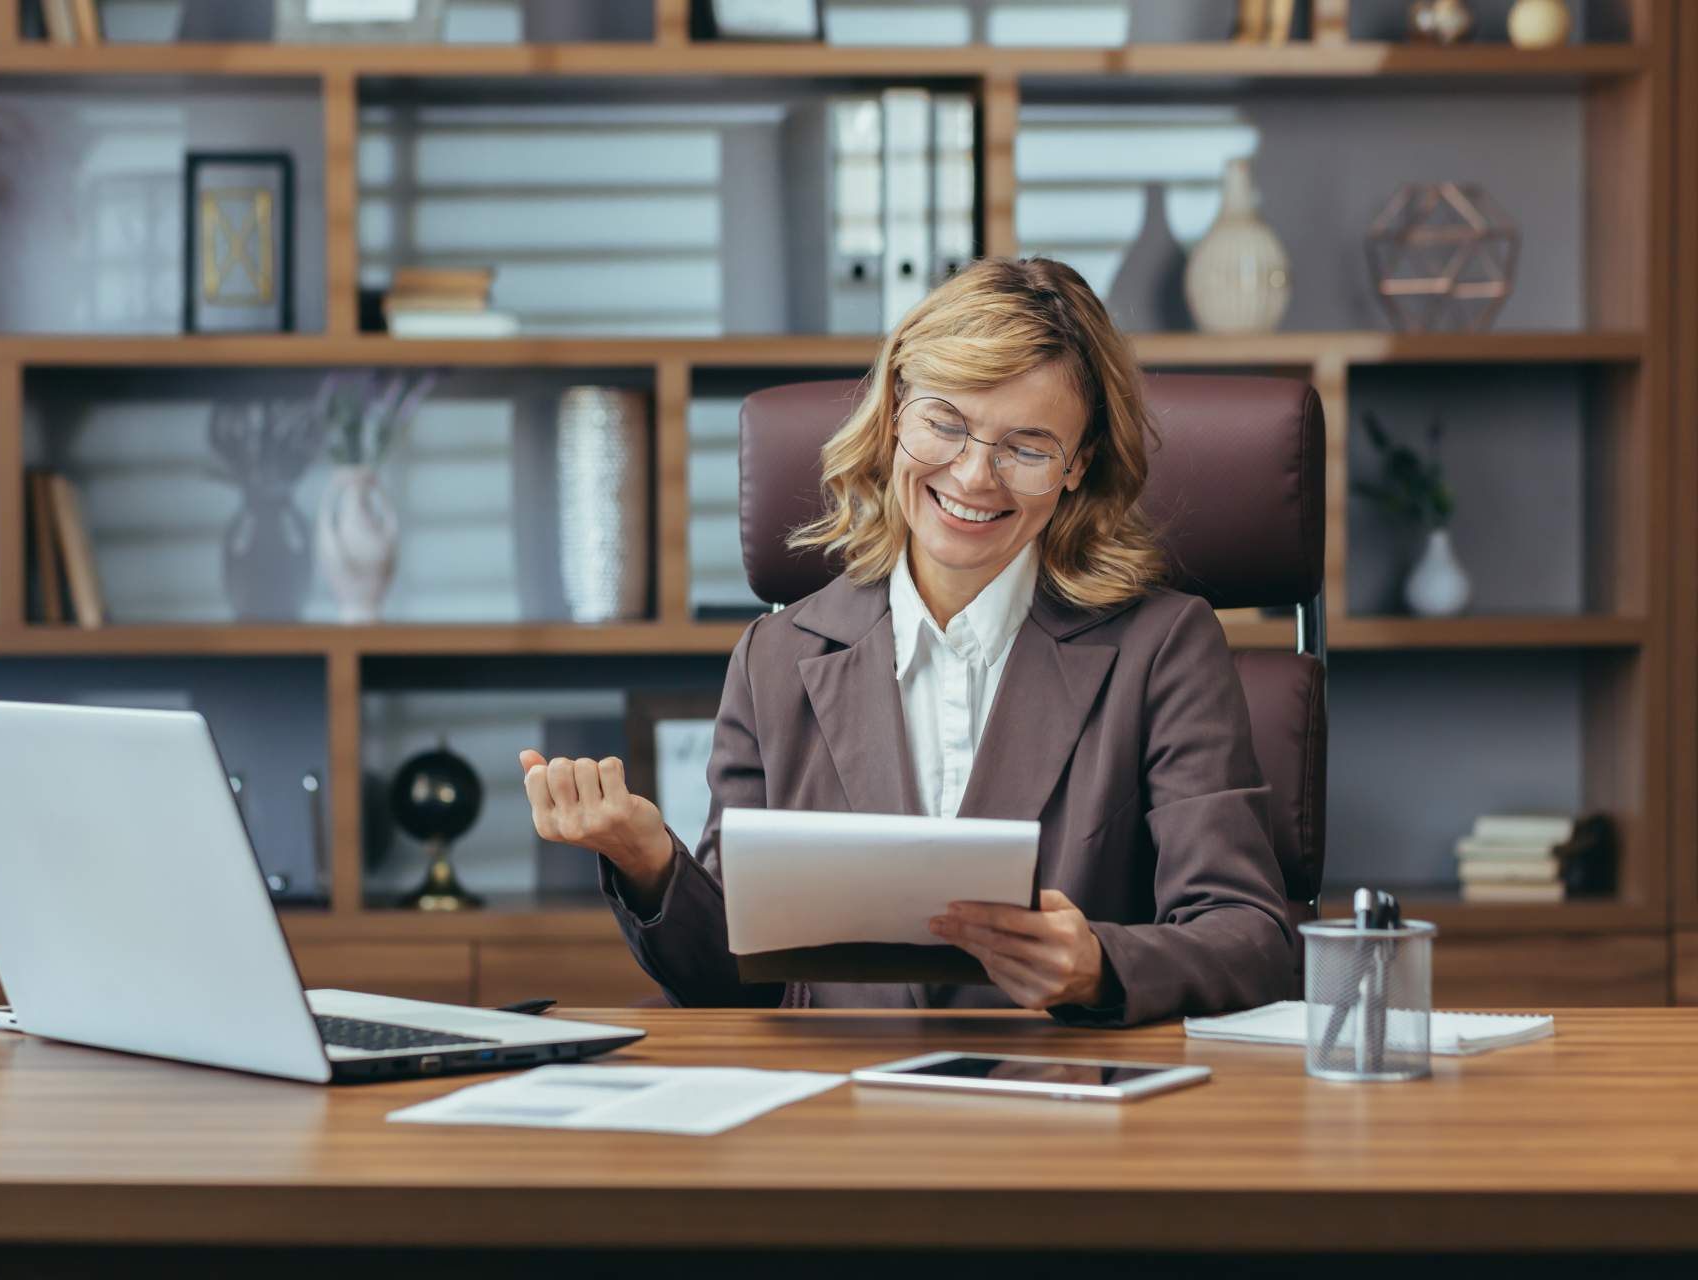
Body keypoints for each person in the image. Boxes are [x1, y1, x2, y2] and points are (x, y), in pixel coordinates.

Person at [518, 256, 1294, 1025]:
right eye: (946, 424)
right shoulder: (776, 660)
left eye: (1025, 448)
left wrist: (1100, 965)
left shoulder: (1163, 648)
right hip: (840, 1114)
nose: (974, 477)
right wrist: (650, 862)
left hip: (1066, 1107)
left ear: (1076, 465)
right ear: (895, 416)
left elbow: (1250, 938)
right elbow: (740, 982)